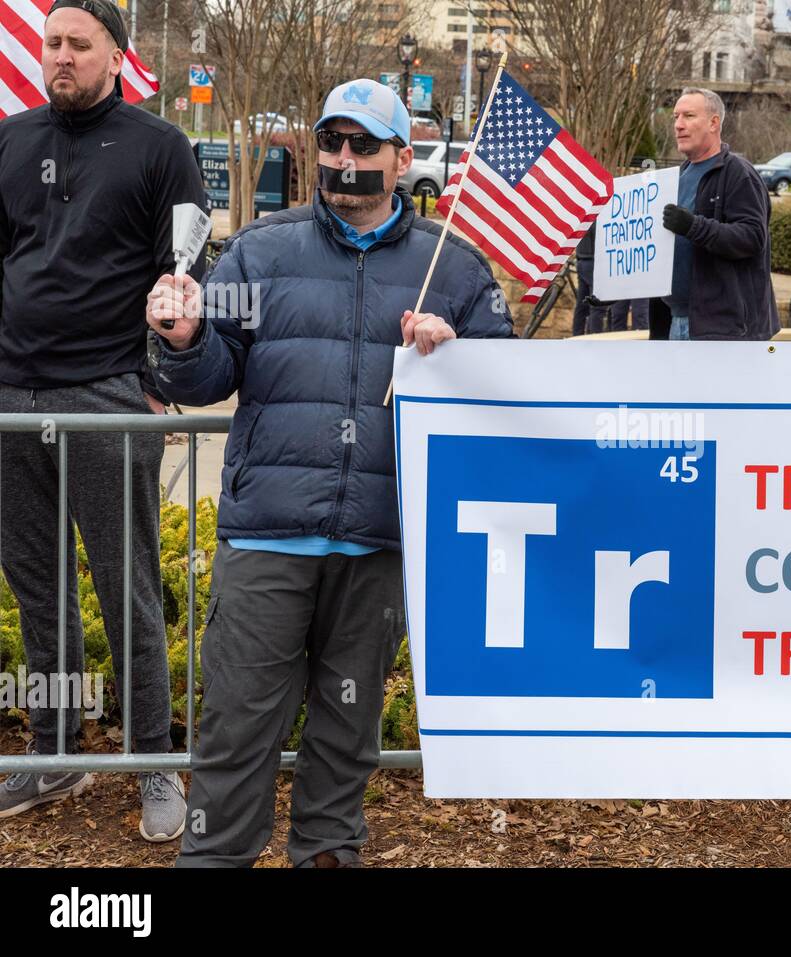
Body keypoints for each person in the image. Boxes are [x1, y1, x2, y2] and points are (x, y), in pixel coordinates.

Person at [145, 78, 513, 867]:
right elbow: (207, 376)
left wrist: (456, 358)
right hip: (269, 540)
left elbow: (503, 395)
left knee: (346, 748)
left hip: (380, 546)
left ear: (402, 158)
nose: (343, 160)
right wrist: (180, 340)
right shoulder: (261, 249)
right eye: (331, 143)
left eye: (364, 145)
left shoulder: (452, 267)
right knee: (235, 730)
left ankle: (326, 856)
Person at [0, 0, 208, 840]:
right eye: (52, 43)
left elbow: (186, 272)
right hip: (13, 398)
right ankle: (54, 751)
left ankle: (154, 760)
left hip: (106, 395)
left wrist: (153, 380)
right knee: (37, 586)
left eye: (79, 45)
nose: (60, 57)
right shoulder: (10, 142)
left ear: (116, 57)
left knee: (127, 588)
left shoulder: (161, 148)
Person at [651, 87, 779, 341]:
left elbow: (752, 238)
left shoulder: (738, 173)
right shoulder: (675, 178)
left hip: (722, 330)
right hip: (674, 322)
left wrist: (693, 226)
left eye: (688, 116)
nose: (678, 125)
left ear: (713, 123)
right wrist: (613, 289)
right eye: (675, 117)